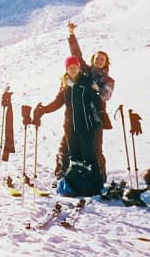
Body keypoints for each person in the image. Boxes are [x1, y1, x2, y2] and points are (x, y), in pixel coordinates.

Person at [35, 57, 106, 196]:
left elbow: (98, 102)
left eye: (75, 67)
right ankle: (76, 184)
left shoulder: (87, 83)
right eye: (70, 67)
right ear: (67, 70)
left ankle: (97, 185)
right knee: (75, 158)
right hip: (70, 128)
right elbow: (57, 103)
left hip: (86, 127)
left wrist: (102, 118)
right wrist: (43, 110)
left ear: (79, 68)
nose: (73, 69)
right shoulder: (66, 86)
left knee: (90, 157)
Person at [58, 21, 116, 181]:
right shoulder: (86, 71)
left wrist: (97, 90)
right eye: (97, 58)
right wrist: (71, 35)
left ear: (105, 63)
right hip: (77, 116)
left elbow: (106, 96)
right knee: (67, 146)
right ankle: (62, 175)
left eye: (102, 59)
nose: (98, 61)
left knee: (95, 149)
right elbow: (76, 55)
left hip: (95, 118)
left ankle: (100, 179)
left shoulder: (108, 80)